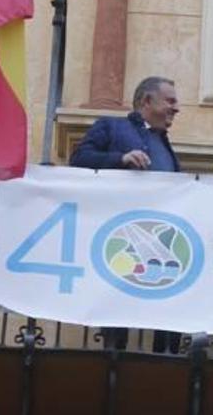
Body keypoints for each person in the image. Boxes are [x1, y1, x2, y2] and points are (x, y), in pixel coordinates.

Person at [69, 76, 181, 354]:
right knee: (116, 305)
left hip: (157, 244)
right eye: (170, 101)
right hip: (120, 238)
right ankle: (113, 357)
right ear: (147, 101)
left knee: (164, 303)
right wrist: (120, 159)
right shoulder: (111, 126)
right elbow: (79, 159)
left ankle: (163, 357)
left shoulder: (165, 145)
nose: (176, 108)